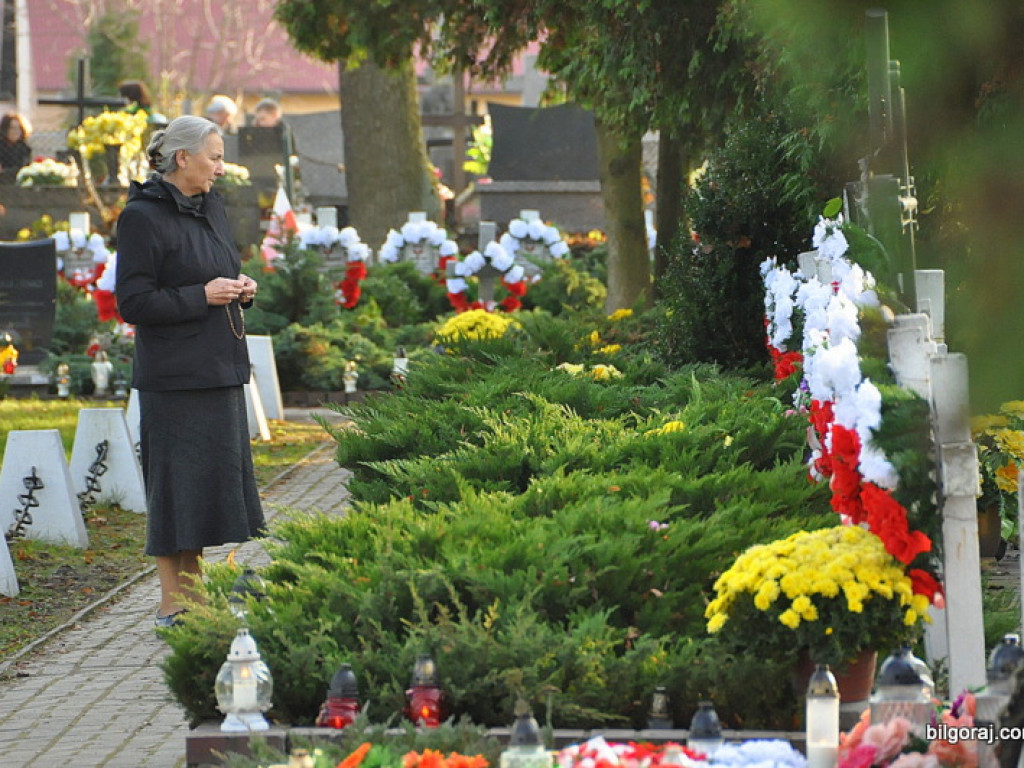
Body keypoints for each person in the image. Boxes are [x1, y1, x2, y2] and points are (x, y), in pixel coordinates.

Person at [115, 115, 265, 628]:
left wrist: (240, 285)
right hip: (174, 376)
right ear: (183, 158)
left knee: (202, 489)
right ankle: (170, 603)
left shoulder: (211, 209)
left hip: (218, 366)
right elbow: (133, 302)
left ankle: (196, 599)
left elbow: (218, 265)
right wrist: (200, 296)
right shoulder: (142, 216)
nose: (221, 168)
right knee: (175, 488)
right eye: (215, 157)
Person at [0, 112, 32, 182]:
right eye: (12, 128)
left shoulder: (25, 148)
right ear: (5, 129)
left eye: (19, 128)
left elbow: (23, 169)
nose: (16, 131)